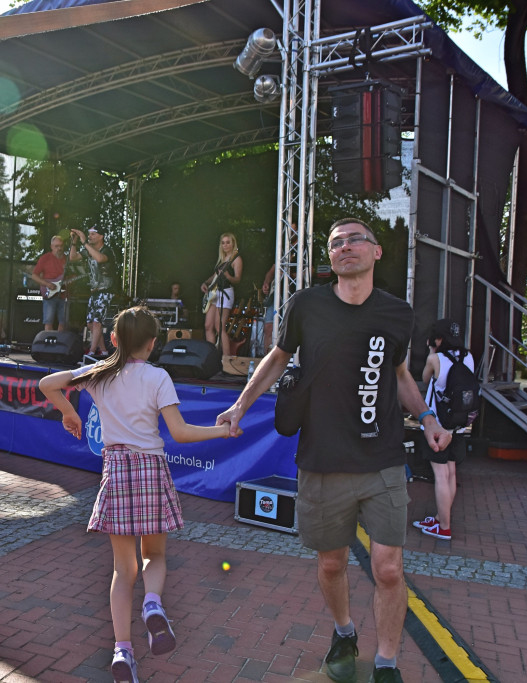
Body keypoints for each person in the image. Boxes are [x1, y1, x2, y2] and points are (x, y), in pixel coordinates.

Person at [217, 218, 452, 683]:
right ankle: (344, 632)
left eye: (354, 240)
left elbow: (402, 375)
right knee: (331, 562)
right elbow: (277, 358)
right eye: (335, 243)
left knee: (388, 568)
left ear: (376, 252)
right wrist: (239, 405)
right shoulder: (305, 304)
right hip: (322, 460)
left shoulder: (397, 314)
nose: (345, 248)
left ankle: (386, 663)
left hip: (382, 459)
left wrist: (427, 418)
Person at [39, 306, 234, 683]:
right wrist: (222, 431)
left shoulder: (97, 374)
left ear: (113, 339)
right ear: (153, 342)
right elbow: (180, 433)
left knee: (122, 569)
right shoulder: (158, 377)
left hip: (116, 471)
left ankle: (123, 651)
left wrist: (70, 414)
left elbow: (47, 384)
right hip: (150, 470)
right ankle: (152, 604)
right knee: (155, 555)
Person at [413, 319, 475, 542]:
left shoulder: (435, 358)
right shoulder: (468, 357)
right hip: (458, 425)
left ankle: (445, 527)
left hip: (437, 425)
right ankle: (441, 517)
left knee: (439, 475)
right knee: (450, 472)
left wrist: (432, 351)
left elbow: (425, 379)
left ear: (438, 339)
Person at [69, 226, 116, 356]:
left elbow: (100, 259)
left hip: (106, 290)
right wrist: (74, 241)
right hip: (94, 291)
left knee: (97, 322)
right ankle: (104, 351)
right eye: (89, 234)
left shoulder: (107, 251)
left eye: (93, 234)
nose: (90, 237)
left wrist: (84, 242)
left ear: (101, 236)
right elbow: (72, 258)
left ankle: (91, 352)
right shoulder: (89, 250)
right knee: (90, 324)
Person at [200, 233, 242, 356]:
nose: (225, 245)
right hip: (214, 293)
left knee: (220, 327)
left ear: (233, 243)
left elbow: (238, 279)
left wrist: (229, 277)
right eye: (223, 242)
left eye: (228, 242)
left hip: (226, 293)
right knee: (208, 325)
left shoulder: (236, 259)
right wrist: (205, 283)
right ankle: (211, 357)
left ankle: (226, 359)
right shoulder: (222, 259)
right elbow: (215, 276)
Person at [29, 235, 69, 332]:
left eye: (61, 246)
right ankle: (47, 344)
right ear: (51, 246)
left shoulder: (67, 259)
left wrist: (69, 281)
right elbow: (34, 275)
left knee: (63, 323)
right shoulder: (45, 258)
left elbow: (71, 276)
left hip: (64, 294)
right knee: (48, 322)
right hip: (49, 293)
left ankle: (60, 344)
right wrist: (47, 284)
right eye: (56, 246)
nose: (59, 248)